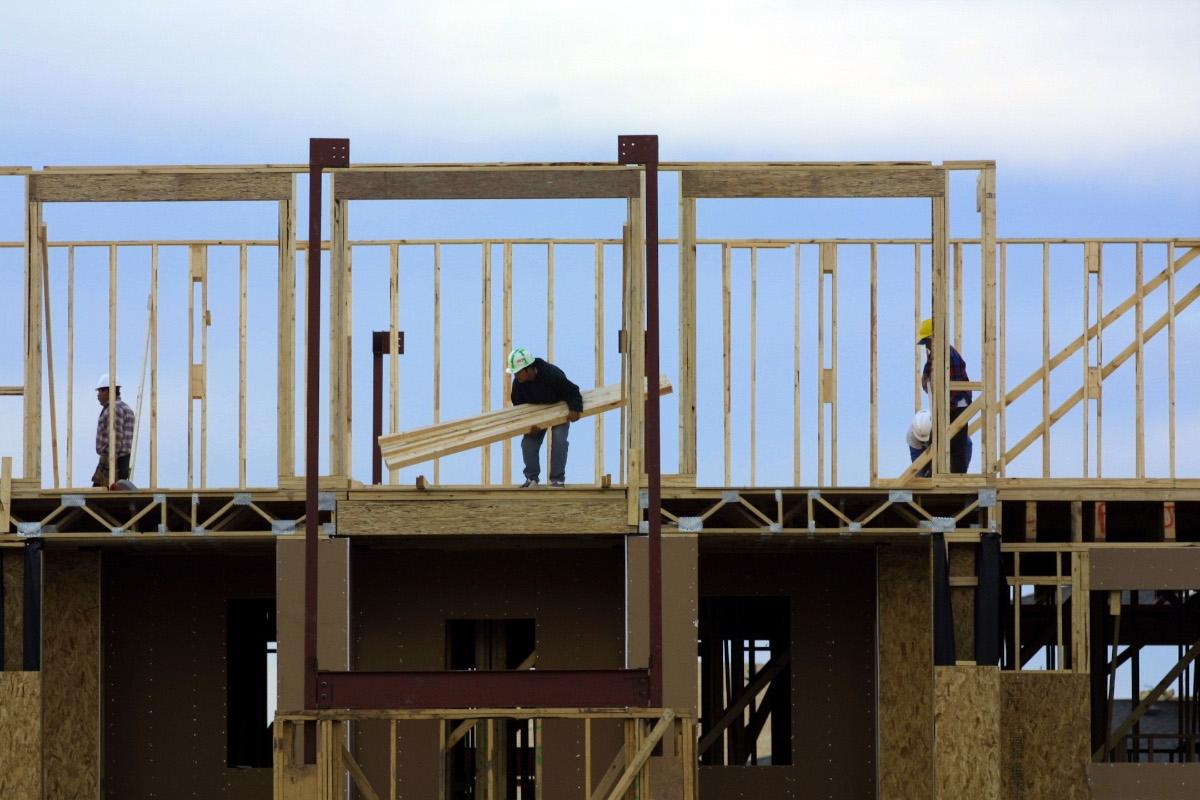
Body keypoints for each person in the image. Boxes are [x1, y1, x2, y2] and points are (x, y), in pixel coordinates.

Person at [507, 347, 582, 487]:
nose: (516, 376)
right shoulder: (518, 384)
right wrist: (528, 426)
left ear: (529, 369)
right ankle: (531, 479)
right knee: (528, 443)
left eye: (518, 372)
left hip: (559, 408)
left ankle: (557, 480)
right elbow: (518, 407)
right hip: (537, 414)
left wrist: (575, 408)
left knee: (559, 440)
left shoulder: (552, 375)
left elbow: (573, 391)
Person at [916, 318, 973, 473]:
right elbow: (929, 365)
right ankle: (933, 472)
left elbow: (956, 386)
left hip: (957, 405)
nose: (926, 346)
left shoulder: (949, 356)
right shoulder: (936, 354)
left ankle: (957, 476)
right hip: (948, 405)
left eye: (927, 342)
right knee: (938, 440)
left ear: (934, 338)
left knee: (957, 445)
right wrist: (925, 376)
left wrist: (946, 408)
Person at [92, 372, 135, 488]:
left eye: (100, 391)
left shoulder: (114, 409)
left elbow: (115, 439)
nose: (98, 395)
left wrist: (109, 464)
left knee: (95, 498)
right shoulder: (125, 407)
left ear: (108, 391)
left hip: (113, 462)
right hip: (121, 461)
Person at [906, 409, 933, 477]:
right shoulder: (911, 435)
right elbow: (917, 462)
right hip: (918, 447)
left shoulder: (936, 426)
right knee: (919, 474)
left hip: (935, 443)